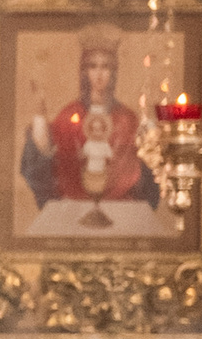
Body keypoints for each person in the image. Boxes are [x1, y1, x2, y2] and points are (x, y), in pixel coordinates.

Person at [21, 39, 159, 227]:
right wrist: (39, 112)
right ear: (84, 72)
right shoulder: (69, 114)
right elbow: (48, 156)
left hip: (122, 208)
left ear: (114, 72)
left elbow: (146, 163)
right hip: (73, 208)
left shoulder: (127, 118)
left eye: (106, 67)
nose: (99, 74)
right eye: (93, 67)